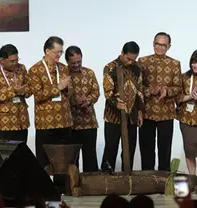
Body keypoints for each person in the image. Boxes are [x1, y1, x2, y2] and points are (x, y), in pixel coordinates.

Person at [27, 36, 72, 191]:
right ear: (47, 50)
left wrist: (67, 87)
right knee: (44, 158)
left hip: (64, 120)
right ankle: (43, 188)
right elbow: (38, 95)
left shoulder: (63, 68)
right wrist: (58, 87)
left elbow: (69, 93)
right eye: (57, 52)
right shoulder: (35, 70)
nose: (59, 55)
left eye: (61, 52)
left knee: (62, 157)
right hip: (45, 122)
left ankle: (61, 187)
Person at [138, 32, 182, 171]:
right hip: (146, 112)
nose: (160, 47)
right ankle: (148, 180)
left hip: (166, 112)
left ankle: (164, 181)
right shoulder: (142, 62)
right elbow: (137, 87)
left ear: (169, 46)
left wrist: (167, 91)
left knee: (165, 149)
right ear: (153, 43)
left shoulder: (174, 64)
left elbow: (178, 87)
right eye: (157, 44)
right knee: (146, 149)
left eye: (163, 45)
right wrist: (149, 91)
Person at [0, 44, 30, 169]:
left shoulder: (22, 69)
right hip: (2, 124)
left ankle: (20, 187)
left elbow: (29, 88)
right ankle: (3, 188)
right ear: (2, 60)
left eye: (17, 60)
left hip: (21, 121)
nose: (15, 63)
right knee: (4, 161)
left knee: (21, 158)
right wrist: (13, 91)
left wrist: (24, 91)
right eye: (12, 61)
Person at [101, 41, 144, 172]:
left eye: (134, 59)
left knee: (129, 150)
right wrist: (116, 103)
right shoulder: (110, 67)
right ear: (122, 53)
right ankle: (106, 181)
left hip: (132, 116)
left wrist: (140, 111)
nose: (131, 62)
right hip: (113, 116)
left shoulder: (137, 68)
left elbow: (140, 90)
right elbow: (107, 92)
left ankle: (127, 181)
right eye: (128, 58)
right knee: (111, 148)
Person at [65, 45, 100, 172]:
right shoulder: (62, 74)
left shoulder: (89, 73)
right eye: (73, 62)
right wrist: (74, 101)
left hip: (89, 122)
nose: (76, 65)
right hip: (70, 123)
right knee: (72, 160)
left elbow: (96, 91)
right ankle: (73, 186)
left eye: (79, 61)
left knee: (90, 156)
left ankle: (92, 187)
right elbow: (60, 96)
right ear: (67, 61)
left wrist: (89, 100)